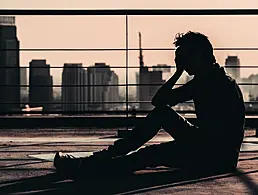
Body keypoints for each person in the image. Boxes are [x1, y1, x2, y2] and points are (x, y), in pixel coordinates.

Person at [54, 31, 245, 178]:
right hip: (208, 145)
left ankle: (88, 168)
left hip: (214, 156)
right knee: (162, 116)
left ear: (200, 55)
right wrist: (178, 72)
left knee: (149, 154)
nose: (182, 62)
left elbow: (222, 137)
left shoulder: (216, 84)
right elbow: (159, 103)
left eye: (185, 58)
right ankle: (98, 160)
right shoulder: (207, 80)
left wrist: (178, 73)